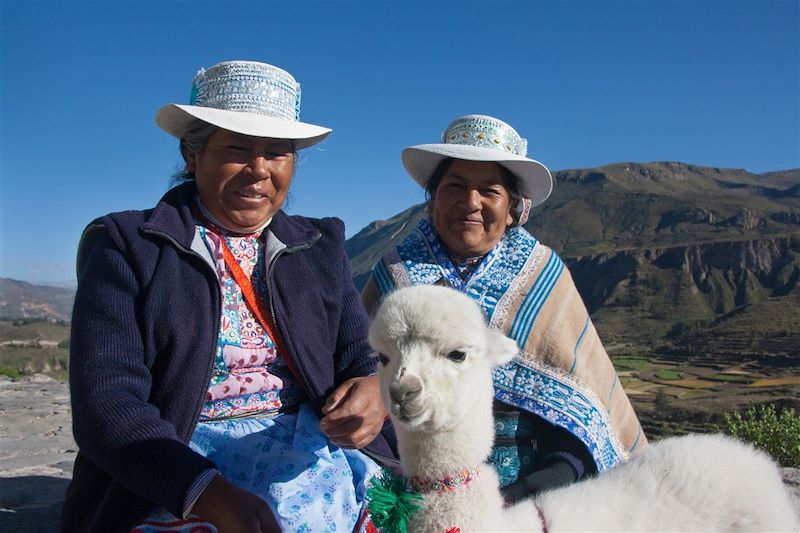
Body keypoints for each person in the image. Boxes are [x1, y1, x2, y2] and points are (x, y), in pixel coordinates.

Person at [62, 60, 397, 533]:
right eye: (237, 149)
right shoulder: (129, 244)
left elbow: (358, 351)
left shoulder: (318, 246)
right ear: (192, 154)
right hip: (173, 460)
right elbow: (107, 403)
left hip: (311, 450)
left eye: (278, 154)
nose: (258, 170)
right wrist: (205, 492)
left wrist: (372, 387)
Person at [362, 114, 647, 503]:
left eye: (489, 191)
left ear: (514, 208)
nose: (471, 202)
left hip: (530, 490)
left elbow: (582, 408)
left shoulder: (542, 277)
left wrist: (527, 491)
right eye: (455, 187)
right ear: (432, 201)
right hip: (406, 479)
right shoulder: (394, 274)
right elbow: (363, 377)